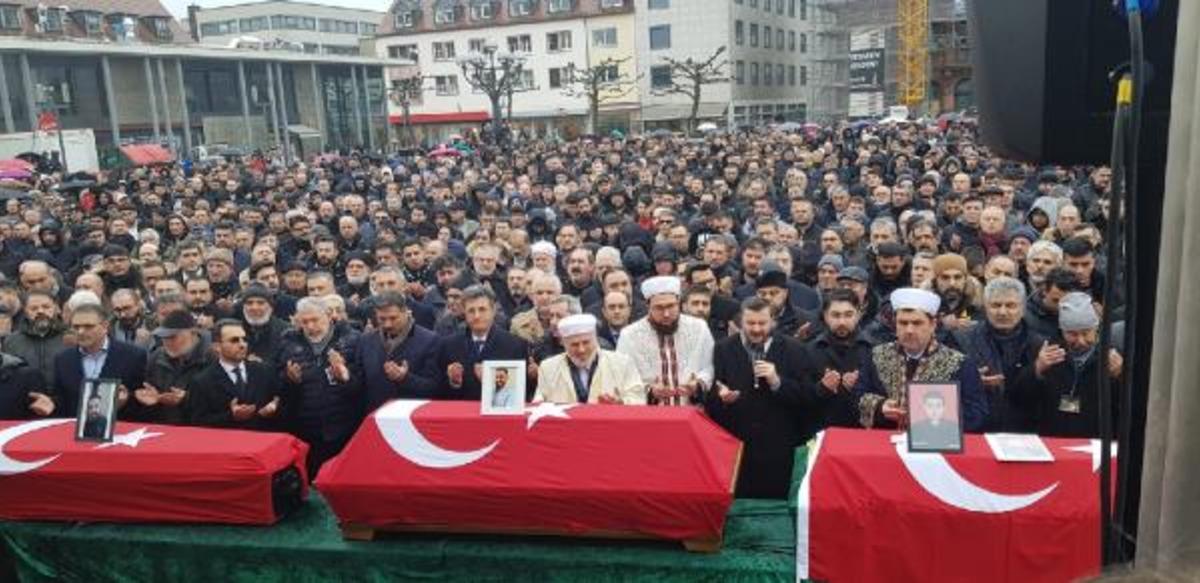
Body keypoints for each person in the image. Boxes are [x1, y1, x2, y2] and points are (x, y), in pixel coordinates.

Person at [707, 297, 813, 499]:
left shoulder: (795, 349)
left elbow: (807, 396)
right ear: (741, 322)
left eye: (762, 323)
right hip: (737, 448)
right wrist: (722, 397)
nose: (756, 329)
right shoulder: (723, 349)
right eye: (750, 323)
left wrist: (777, 382)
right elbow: (712, 397)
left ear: (773, 321)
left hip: (780, 449)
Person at [852, 288, 988, 431]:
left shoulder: (959, 363)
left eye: (917, 323)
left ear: (933, 325)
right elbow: (857, 396)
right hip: (885, 440)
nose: (909, 330)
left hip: (936, 444)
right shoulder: (876, 355)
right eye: (903, 323)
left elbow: (977, 413)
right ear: (895, 325)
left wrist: (932, 416)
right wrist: (880, 407)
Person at [1014, 292, 1123, 437]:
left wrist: (1121, 375)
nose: (1081, 340)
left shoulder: (1112, 356)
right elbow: (1019, 399)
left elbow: (1129, 406)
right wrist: (1037, 370)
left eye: (1086, 333)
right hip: (1053, 439)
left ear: (1096, 328)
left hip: (1096, 442)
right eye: (1072, 334)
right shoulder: (1046, 352)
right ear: (1062, 331)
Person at [278, 297, 363, 478]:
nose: (310, 326)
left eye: (315, 320)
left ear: (329, 316)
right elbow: (280, 387)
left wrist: (344, 377)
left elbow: (363, 386)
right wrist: (290, 380)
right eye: (304, 322)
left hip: (344, 428)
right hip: (306, 429)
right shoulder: (288, 344)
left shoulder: (353, 341)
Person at [950, 277, 1042, 432]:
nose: (1003, 312)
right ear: (985, 307)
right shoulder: (962, 339)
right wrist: (971, 380)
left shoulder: (1039, 344)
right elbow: (945, 386)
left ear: (1023, 308)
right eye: (996, 305)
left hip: (1024, 431)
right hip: (977, 429)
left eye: (1011, 305)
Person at [616, 276, 714, 406]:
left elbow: (709, 366)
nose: (666, 314)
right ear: (648, 306)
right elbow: (623, 378)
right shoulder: (629, 335)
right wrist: (650, 391)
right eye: (659, 308)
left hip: (691, 413)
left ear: (678, 302)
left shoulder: (699, 328)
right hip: (650, 416)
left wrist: (698, 384)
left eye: (671, 306)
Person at [436, 285, 530, 402]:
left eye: (482, 309)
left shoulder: (515, 346)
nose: (477, 316)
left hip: (498, 417)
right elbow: (438, 393)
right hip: (462, 415)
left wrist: (490, 382)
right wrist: (453, 382)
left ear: (493, 310)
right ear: (464, 312)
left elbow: (521, 394)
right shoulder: (449, 345)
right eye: (471, 310)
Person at [53, 304, 146, 420]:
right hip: (74, 431)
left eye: (88, 326)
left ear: (105, 326)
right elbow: (63, 401)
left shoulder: (133, 356)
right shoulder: (63, 359)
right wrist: (52, 405)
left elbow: (143, 401)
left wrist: (126, 400)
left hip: (121, 429)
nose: (81, 332)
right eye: (76, 327)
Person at [187, 320, 282, 431]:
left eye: (244, 339)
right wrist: (231, 416)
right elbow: (198, 423)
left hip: (261, 441)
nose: (242, 345)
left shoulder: (264, 370)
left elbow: (278, 402)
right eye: (234, 340)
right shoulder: (202, 381)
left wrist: (272, 409)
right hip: (225, 444)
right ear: (217, 347)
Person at [534, 314, 645, 404]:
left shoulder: (622, 363)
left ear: (596, 339)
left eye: (586, 342)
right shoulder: (548, 367)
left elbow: (639, 400)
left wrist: (620, 403)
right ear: (563, 343)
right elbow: (538, 404)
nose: (581, 350)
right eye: (574, 345)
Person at [357, 291, 441, 412]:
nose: (387, 324)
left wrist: (405, 378)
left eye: (393, 318)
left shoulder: (430, 340)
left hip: (412, 418)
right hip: (376, 418)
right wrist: (344, 377)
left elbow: (435, 388)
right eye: (382, 319)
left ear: (406, 312)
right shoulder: (366, 340)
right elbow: (360, 384)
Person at [804, 288, 873, 429]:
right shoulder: (810, 350)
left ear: (858, 315)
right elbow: (799, 396)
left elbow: (884, 397)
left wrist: (859, 388)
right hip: (822, 430)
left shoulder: (874, 349)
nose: (842, 322)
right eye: (835, 315)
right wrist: (822, 387)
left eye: (848, 315)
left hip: (862, 432)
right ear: (825, 316)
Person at [137, 310, 212, 424]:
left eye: (172, 337)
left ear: (193, 332)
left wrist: (186, 399)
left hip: (201, 430)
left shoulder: (213, 358)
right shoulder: (157, 356)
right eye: (163, 337)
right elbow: (150, 392)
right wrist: (148, 398)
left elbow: (222, 404)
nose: (167, 342)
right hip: (165, 428)